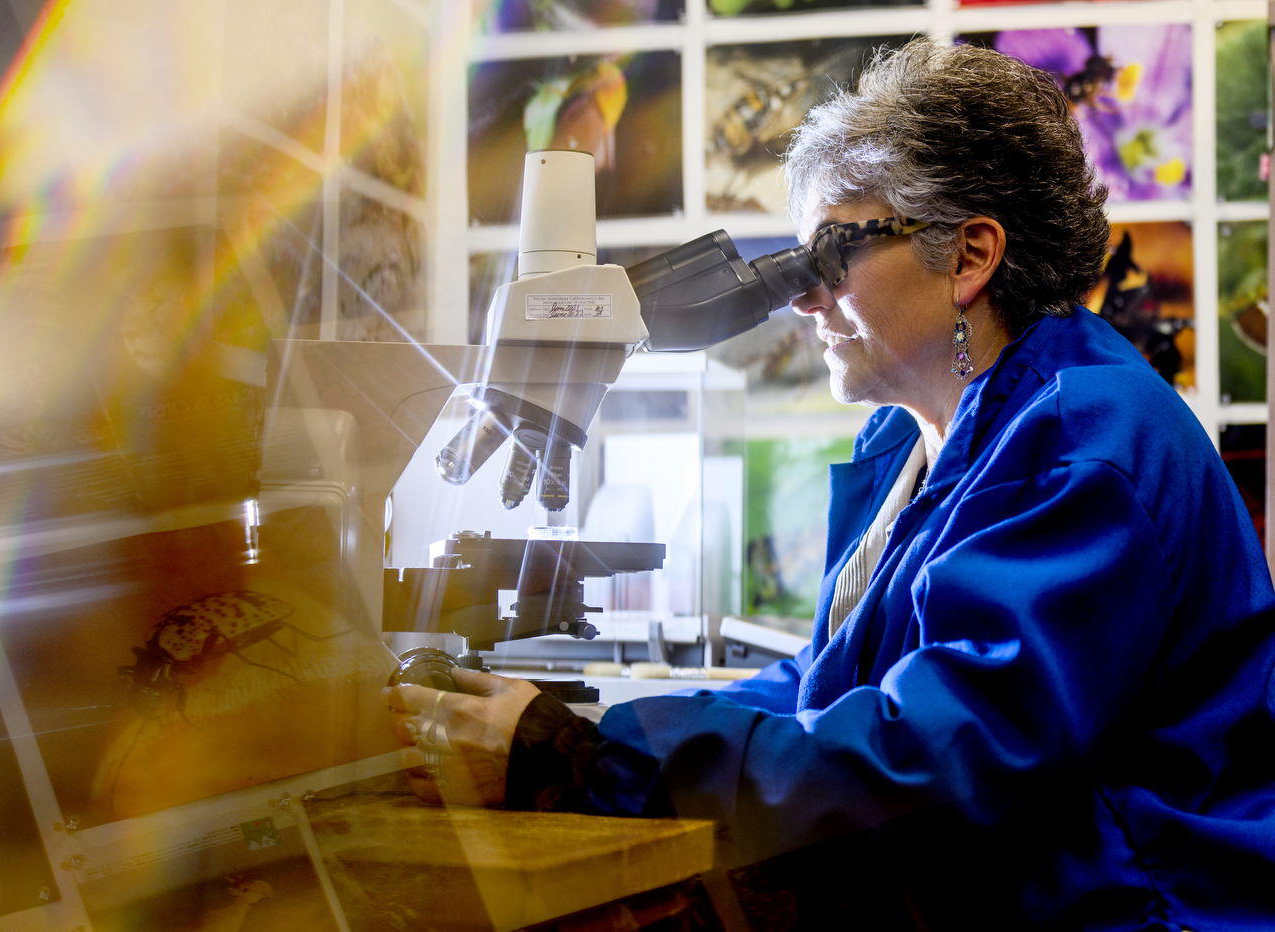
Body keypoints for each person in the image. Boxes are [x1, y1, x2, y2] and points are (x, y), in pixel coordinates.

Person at [384, 38, 1275, 930]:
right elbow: (829, 686)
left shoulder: (1081, 438)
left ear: (970, 257)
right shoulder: (913, 441)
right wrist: (596, 736)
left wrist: (577, 759)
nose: (805, 299)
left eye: (830, 255)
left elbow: (935, 756)